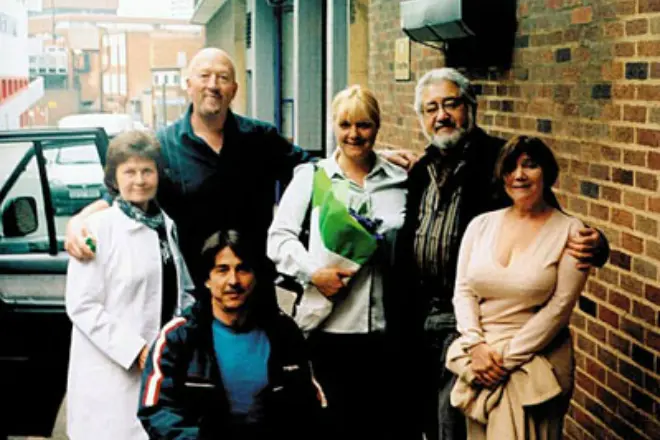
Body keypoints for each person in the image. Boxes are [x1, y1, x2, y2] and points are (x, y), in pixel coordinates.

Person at [64, 48, 415, 284]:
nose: (213, 85)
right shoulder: (165, 146)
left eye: (222, 78)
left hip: (255, 288)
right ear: (188, 85)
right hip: (193, 294)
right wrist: (80, 221)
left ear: (234, 88)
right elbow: (122, 197)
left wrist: (376, 158)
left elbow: (322, 169)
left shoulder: (259, 138)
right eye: (204, 76)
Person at [394, 68, 609, 440]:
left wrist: (597, 243)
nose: (441, 115)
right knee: (429, 420)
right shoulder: (420, 170)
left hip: (473, 324)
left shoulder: (501, 161)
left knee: (456, 424)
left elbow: (546, 217)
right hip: (424, 320)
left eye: (451, 104)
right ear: (422, 118)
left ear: (470, 107)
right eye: (431, 108)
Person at [267, 85, 413, 439]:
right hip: (331, 330)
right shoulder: (313, 178)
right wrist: (313, 273)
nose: (354, 134)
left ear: (376, 127)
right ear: (334, 125)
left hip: (388, 334)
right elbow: (279, 239)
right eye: (345, 124)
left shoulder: (401, 181)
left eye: (363, 125)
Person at [446, 135, 589, 439]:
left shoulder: (571, 232)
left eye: (530, 166)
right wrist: (476, 346)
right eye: (510, 168)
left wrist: (503, 361)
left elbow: (559, 309)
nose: (519, 175)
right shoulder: (480, 225)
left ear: (547, 172)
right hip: (480, 359)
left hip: (534, 364)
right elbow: (464, 291)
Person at [65, 130, 194, 440]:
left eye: (147, 170)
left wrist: (178, 340)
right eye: (130, 172)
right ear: (114, 178)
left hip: (159, 366)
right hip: (111, 377)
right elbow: (82, 305)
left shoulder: (166, 225)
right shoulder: (97, 229)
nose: (139, 180)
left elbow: (184, 290)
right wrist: (135, 349)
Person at [138, 229, 322, 439]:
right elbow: (156, 409)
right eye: (222, 270)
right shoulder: (178, 337)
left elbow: (309, 405)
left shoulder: (283, 332)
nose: (233, 281)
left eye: (243, 269)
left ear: (255, 277)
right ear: (207, 279)